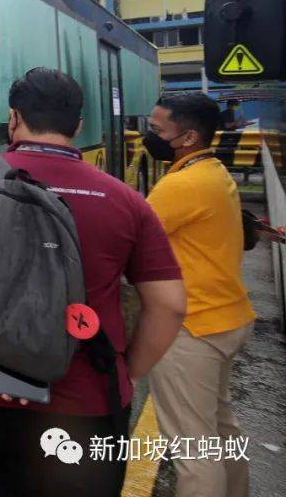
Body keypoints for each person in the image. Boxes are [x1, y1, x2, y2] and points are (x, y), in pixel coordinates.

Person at [0, 67, 186, 497]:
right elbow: (169, 304)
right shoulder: (124, 199)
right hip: (89, 395)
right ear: (77, 126)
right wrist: (128, 373)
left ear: (14, 118)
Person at [144, 93, 255, 497]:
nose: (148, 136)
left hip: (192, 327)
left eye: (156, 129)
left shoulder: (182, 184)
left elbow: (131, 238)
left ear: (189, 136)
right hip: (226, 318)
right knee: (221, 429)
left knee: (194, 449)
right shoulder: (213, 171)